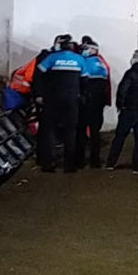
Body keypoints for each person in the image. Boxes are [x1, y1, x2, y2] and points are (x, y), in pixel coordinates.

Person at [34, 35, 87, 173]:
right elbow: (85, 80)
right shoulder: (80, 59)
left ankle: (49, 164)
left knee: (49, 129)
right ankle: (69, 165)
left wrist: (40, 93)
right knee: (70, 131)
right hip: (72, 99)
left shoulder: (52, 58)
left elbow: (38, 74)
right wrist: (81, 95)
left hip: (53, 97)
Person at [108, 51, 138, 171]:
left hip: (129, 110)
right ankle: (137, 166)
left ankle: (111, 162)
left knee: (119, 137)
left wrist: (120, 106)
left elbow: (123, 90)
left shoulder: (131, 73)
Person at [78, 36, 112, 169]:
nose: (83, 50)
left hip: (86, 102)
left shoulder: (86, 62)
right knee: (95, 133)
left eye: (86, 48)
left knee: (81, 132)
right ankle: (95, 160)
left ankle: (79, 160)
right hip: (98, 103)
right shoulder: (101, 63)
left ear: (93, 50)